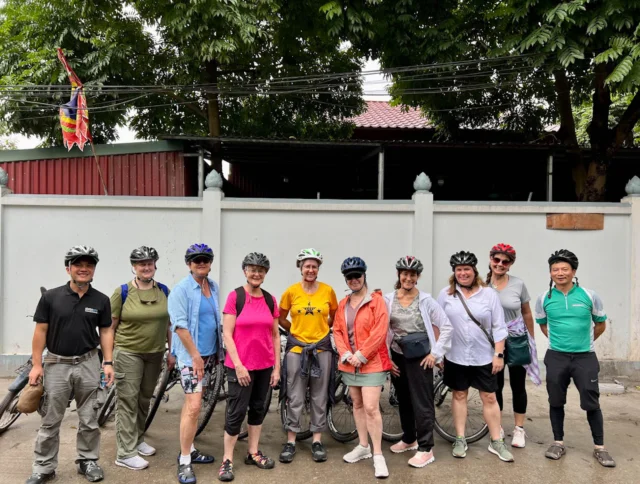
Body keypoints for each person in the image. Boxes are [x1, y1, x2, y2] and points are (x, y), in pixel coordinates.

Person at [26, 246, 114, 484]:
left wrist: (107, 362)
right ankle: (44, 467)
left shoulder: (101, 300)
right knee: (51, 418)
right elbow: (40, 331)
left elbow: (105, 331)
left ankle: (87, 460)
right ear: (68, 269)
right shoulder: (50, 298)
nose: (84, 269)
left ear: (94, 269)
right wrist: (37, 365)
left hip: (88, 363)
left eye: (89, 265)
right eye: (78, 265)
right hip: (57, 364)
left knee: (89, 417)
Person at [535, 249, 615, 467]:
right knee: (556, 400)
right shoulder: (544, 298)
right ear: (550, 273)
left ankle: (600, 447)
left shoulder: (589, 295)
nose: (560, 273)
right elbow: (543, 325)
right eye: (555, 269)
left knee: (591, 402)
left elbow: (600, 324)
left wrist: (584, 343)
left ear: (574, 271)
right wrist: (558, 342)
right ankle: (558, 442)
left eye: (564, 269)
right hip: (556, 356)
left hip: (585, 357)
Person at [436, 251, 513, 463]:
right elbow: (438, 323)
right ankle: (460, 439)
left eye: (466, 269)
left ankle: (496, 441)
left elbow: (499, 326)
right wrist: (439, 350)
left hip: (484, 356)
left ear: (474, 271)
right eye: (459, 270)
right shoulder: (446, 294)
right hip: (455, 355)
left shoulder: (488, 295)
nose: (463, 273)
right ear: (454, 272)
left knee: (489, 397)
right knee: (459, 395)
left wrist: (498, 354)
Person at [384, 256, 453, 468]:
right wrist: (387, 358)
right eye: (404, 273)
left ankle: (426, 448)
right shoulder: (388, 299)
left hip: (421, 358)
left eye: (412, 274)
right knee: (403, 399)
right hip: (398, 355)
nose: (408, 277)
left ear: (418, 277)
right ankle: (409, 438)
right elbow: (383, 329)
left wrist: (435, 354)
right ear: (399, 275)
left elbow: (447, 326)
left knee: (422, 402)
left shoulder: (426, 300)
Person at [111, 246, 175, 470]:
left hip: (155, 353)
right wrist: (108, 360)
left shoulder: (164, 291)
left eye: (149, 263)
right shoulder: (122, 292)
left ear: (155, 265)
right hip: (128, 351)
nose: (146, 267)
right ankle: (125, 453)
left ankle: (137, 439)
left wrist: (171, 350)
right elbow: (110, 327)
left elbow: (169, 324)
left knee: (144, 398)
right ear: (134, 267)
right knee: (127, 400)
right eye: (141, 264)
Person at [218, 252, 280, 482]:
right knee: (235, 412)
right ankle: (227, 460)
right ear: (245, 270)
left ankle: (253, 452)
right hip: (240, 367)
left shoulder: (270, 299)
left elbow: (275, 336)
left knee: (257, 409)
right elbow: (227, 333)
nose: (256, 273)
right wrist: (239, 365)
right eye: (252, 269)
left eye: (261, 270)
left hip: (264, 365)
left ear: (265, 274)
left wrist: (277, 368)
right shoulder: (235, 297)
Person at [168, 243, 223, 484]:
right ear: (188, 264)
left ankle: (189, 448)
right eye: (196, 260)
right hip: (193, 359)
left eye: (205, 259)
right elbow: (179, 326)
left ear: (210, 262)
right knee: (193, 406)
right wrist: (195, 355)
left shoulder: (213, 286)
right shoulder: (181, 290)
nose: (201, 263)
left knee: (195, 407)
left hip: (211, 356)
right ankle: (184, 460)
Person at [278, 248, 338, 464]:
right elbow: (281, 317)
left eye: (314, 266)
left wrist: (323, 327)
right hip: (297, 350)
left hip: (322, 349)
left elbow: (335, 315)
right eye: (307, 266)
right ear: (300, 268)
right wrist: (294, 330)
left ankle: (317, 440)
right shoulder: (291, 292)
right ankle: (291, 440)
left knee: (319, 396)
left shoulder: (328, 291)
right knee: (295, 395)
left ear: (318, 269)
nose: (310, 270)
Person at [333, 257, 391, 479]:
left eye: (357, 275)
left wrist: (362, 354)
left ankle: (377, 454)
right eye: (349, 277)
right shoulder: (343, 304)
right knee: (356, 404)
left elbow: (380, 330)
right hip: (350, 365)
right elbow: (338, 330)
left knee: (370, 407)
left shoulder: (377, 301)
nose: (353, 279)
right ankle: (363, 445)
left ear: (364, 275)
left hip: (371, 364)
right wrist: (346, 353)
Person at [486, 243, 540, 448]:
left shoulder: (518, 284)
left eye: (505, 261)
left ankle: (519, 429)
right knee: (495, 386)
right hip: (492, 342)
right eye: (496, 259)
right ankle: (497, 426)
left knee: (518, 385)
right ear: (490, 259)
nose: (500, 264)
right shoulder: (482, 284)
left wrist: (531, 340)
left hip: (516, 339)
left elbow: (526, 312)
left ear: (511, 264)